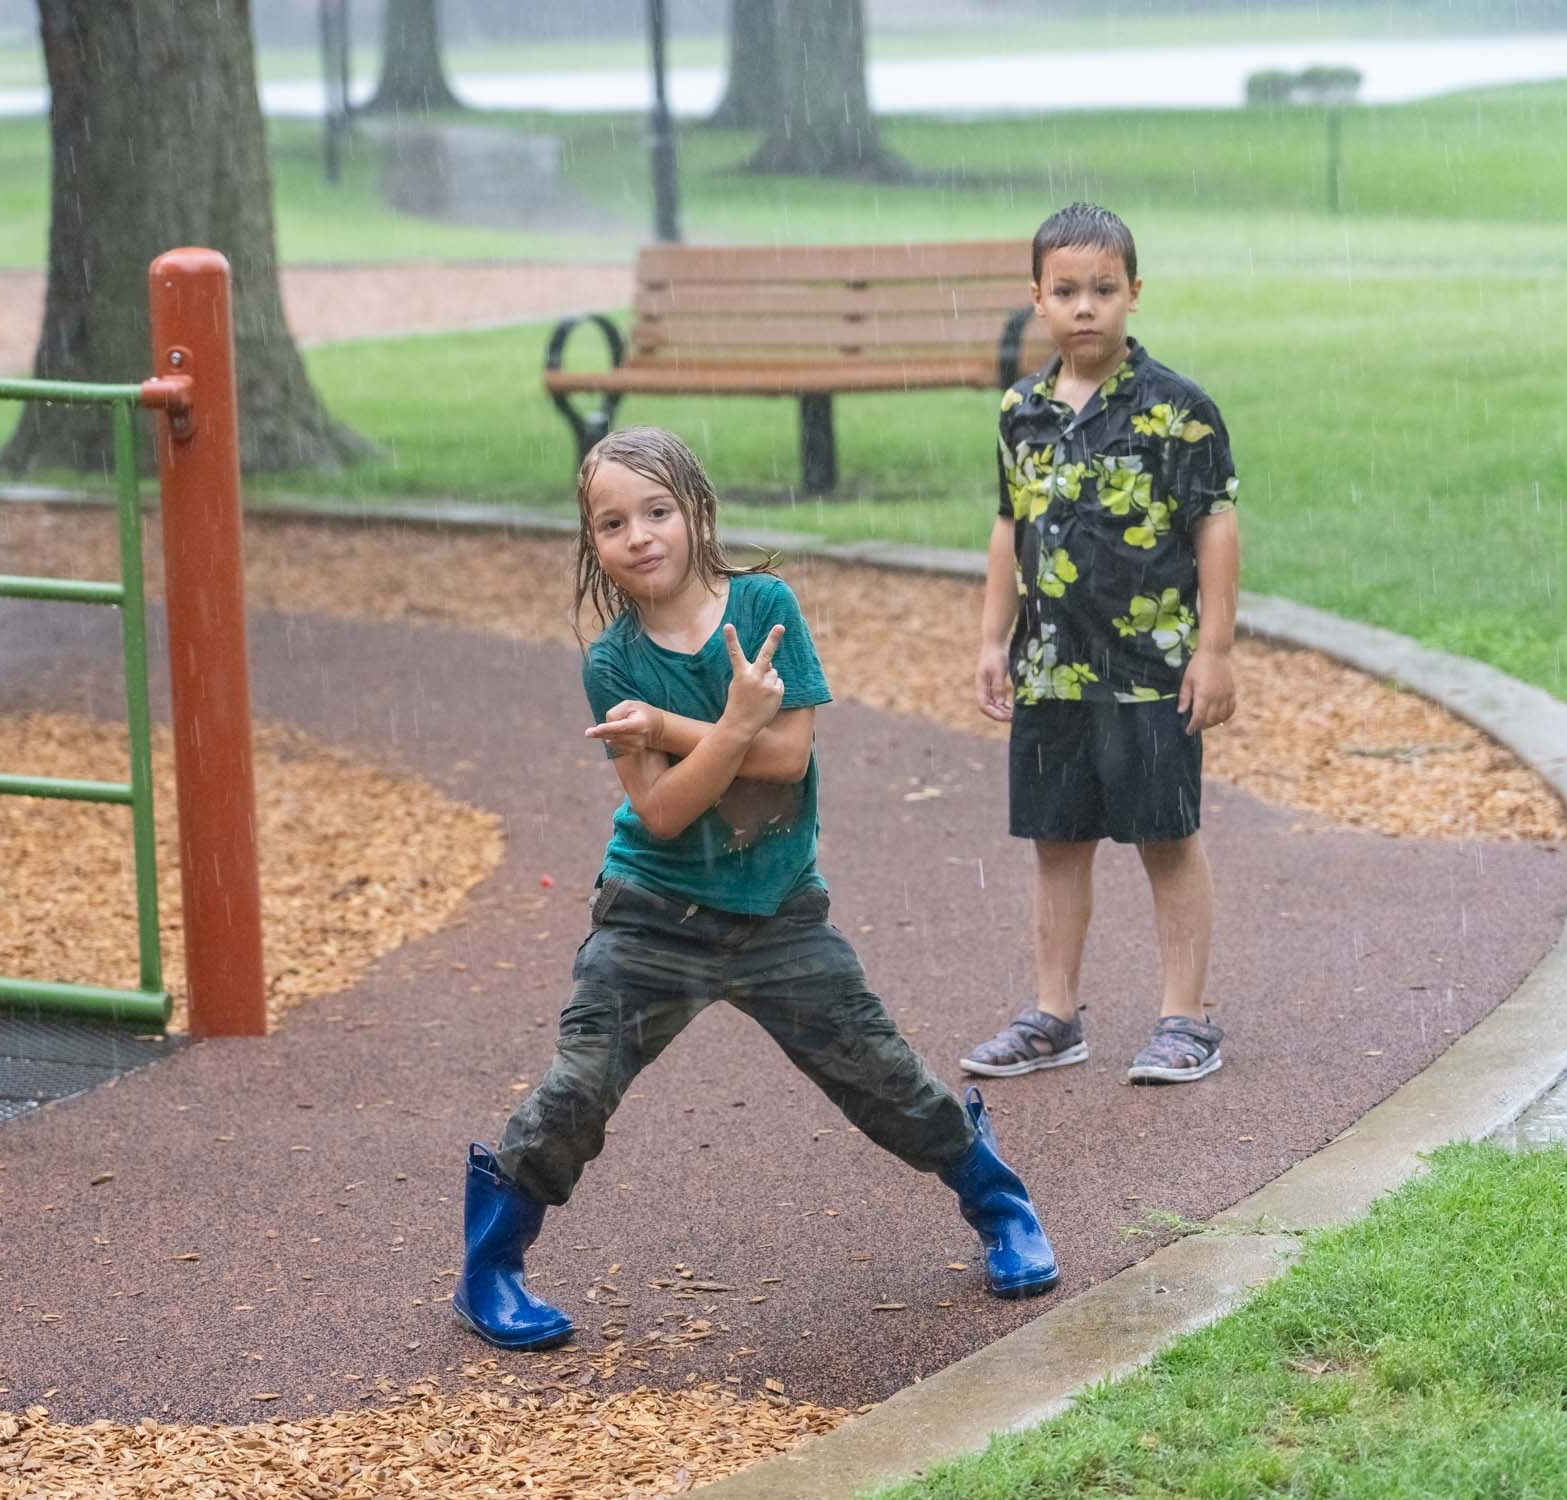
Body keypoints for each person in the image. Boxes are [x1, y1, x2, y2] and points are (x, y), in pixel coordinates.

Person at [454, 426, 1060, 1352]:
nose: (641, 535)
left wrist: (675, 723)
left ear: (697, 512)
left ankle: (1001, 1207)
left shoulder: (766, 605)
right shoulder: (611, 664)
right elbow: (660, 811)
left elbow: (787, 756)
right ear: (593, 545)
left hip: (779, 915)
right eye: (613, 523)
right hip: (650, 916)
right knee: (577, 1089)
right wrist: (725, 723)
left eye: (657, 511)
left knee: (883, 1075)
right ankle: (490, 1267)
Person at [963, 202, 1242, 1088]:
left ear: (1134, 295)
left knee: (1166, 837)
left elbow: (1215, 528)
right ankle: (1054, 1014)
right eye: (1067, 290)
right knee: (1057, 839)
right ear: (1037, 299)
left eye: (1104, 290)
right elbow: (1010, 526)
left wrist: (1217, 649)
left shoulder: (1177, 412)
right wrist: (990, 639)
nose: (1086, 307)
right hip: (1051, 671)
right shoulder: (1022, 412)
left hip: (1151, 671)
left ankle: (1186, 1019)